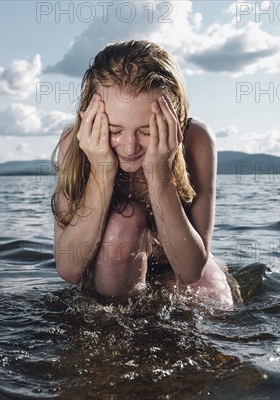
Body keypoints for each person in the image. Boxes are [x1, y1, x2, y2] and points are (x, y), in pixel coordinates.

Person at [51, 40, 241, 309]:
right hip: (111, 266)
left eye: (147, 132)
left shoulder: (195, 139)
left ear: (174, 117)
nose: (130, 148)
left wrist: (158, 172)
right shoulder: (75, 142)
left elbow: (190, 271)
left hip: (178, 265)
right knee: (124, 222)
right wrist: (102, 173)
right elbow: (68, 270)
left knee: (215, 302)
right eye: (114, 131)